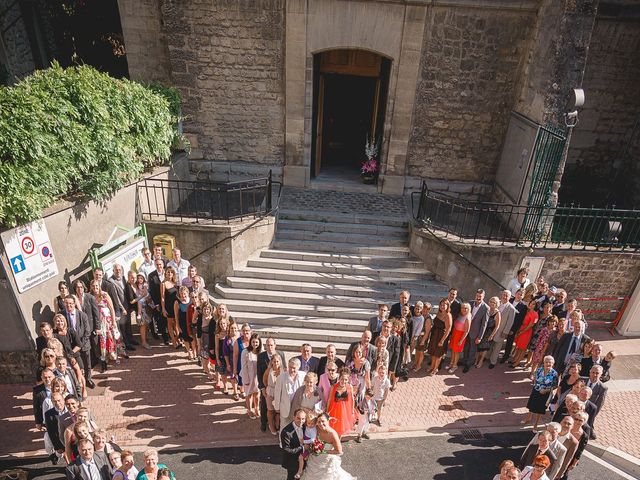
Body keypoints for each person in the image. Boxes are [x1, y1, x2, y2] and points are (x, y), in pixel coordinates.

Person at [301, 412, 357, 480]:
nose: (321, 424)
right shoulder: (316, 428)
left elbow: (339, 451)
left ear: (328, 421)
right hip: (314, 460)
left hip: (326, 461)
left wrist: (323, 451)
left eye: (323, 421)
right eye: (319, 422)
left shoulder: (332, 434)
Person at [62, 295, 94, 388]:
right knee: (73, 365)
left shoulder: (82, 315)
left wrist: (80, 344)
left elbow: (87, 332)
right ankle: (76, 381)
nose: (69, 306)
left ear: (74, 303)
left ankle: (88, 379)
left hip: (83, 344)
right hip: (70, 346)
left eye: (71, 303)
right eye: (66, 303)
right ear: (64, 304)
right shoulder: (61, 315)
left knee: (87, 363)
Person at [89, 280, 122, 372]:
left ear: (99, 286)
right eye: (93, 286)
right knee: (103, 340)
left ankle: (114, 354)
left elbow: (111, 308)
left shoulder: (104, 295)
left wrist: (114, 321)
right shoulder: (90, 296)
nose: (95, 288)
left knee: (111, 338)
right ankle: (106, 356)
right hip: (98, 322)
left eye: (97, 286)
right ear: (91, 287)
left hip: (107, 321)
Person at [523, 355, 558, 430]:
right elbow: (535, 379)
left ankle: (536, 424)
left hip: (545, 394)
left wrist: (546, 390)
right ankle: (528, 418)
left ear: (553, 363)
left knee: (540, 409)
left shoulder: (554, 374)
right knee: (531, 405)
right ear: (544, 362)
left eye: (550, 362)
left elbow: (555, 385)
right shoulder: (539, 370)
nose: (548, 363)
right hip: (536, 390)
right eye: (546, 362)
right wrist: (535, 385)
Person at [274, 358, 306, 430]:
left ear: (298, 367)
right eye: (290, 367)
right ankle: (282, 441)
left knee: (298, 428)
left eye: (294, 368)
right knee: (284, 427)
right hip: (285, 409)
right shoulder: (281, 377)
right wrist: (277, 407)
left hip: (298, 408)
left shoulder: (303, 376)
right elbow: (277, 394)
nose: (291, 370)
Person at [462, 289, 489, 373]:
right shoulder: (470, 303)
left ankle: (468, 364)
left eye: (480, 296)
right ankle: (464, 361)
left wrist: (480, 337)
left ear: (483, 297)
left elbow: (484, 324)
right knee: (465, 347)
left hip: (475, 333)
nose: (478, 298)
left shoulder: (486, 308)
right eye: (477, 296)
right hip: (466, 330)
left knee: (472, 349)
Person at [488, 290, 516, 369]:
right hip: (492, 328)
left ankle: (493, 362)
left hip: (501, 330)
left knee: (497, 347)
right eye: (503, 295)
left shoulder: (511, 308)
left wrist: (505, 332)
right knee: (490, 344)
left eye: (506, 296)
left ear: (509, 297)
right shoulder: (497, 302)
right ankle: (487, 357)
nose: (504, 297)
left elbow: (510, 322)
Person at [326, 367, 356, 439]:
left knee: (342, 427)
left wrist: (352, 411)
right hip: (335, 409)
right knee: (334, 426)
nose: (344, 381)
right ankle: (334, 439)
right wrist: (327, 411)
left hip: (345, 411)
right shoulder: (334, 387)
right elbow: (330, 399)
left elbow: (352, 399)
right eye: (342, 379)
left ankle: (338, 440)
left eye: (346, 379)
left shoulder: (350, 387)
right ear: (339, 378)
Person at [426, 298, 452, 375]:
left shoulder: (448, 315)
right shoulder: (439, 312)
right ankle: (432, 366)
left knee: (438, 354)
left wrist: (442, 340)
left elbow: (448, 330)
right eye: (441, 305)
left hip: (441, 336)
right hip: (435, 335)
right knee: (434, 352)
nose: (442, 306)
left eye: (444, 305)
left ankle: (435, 368)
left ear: (448, 306)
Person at [581, 364, 607, 439]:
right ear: (590, 372)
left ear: (601, 374)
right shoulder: (582, 380)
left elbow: (600, 403)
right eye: (593, 372)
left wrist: (593, 413)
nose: (594, 375)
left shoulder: (602, 387)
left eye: (597, 373)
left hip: (589, 409)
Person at [510, 300, 538, 368]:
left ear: (535, 306)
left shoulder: (535, 314)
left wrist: (521, 332)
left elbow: (530, 325)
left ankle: (517, 363)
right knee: (518, 347)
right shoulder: (527, 311)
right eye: (531, 303)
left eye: (533, 304)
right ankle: (515, 360)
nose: (531, 305)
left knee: (522, 348)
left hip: (526, 331)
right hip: (521, 329)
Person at [280, 408, 306, 480]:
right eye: (298, 418)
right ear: (293, 417)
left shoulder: (306, 426)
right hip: (293, 461)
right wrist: (303, 448)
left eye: (303, 419)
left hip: (306, 459)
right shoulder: (286, 432)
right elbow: (287, 449)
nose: (301, 421)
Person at [475, 296, 501, 369]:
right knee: (478, 346)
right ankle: (476, 359)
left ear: (497, 304)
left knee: (485, 348)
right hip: (482, 330)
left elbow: (497, 326)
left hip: (489, 332)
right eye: (491, 301)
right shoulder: (487, 309)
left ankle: (481, 361)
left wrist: (492, 335)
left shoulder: (497, 313)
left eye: (494, 302)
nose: (492, 303)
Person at [241, 333, 262, 418]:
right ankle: (249, 410)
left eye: (256, 342)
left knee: (257, 394)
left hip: (257, 377)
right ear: (250, 342)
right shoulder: (245, 352)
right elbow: (243, 367)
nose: (255, 344)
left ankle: (257, 408)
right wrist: (246, 380)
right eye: (253, 342)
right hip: (248, 377)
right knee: (248, 394)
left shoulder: (261, 352)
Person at [147, 259, 168, 344]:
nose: (159, 266)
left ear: (163, 264)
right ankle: (165, 338)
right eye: (157, 265)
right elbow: (152, 291)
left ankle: (171, 335)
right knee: (161, 320)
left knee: (170, 319)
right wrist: (156, 304)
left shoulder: (168, 272)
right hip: (158, 301)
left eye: (160, 264)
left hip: (169, 300)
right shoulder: (151, 275)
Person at [174, 286, 196, 359]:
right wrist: (177, 326)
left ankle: (194, 352)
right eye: (181, 294)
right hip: (183, 323)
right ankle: (189, 352)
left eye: (184, 293)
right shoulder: (177, 302)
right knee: (186, 338)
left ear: (187, 293)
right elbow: (176, 316)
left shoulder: (191, 300)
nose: (183, 295)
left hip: (190, 322)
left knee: (192, 338)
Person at [264, 353, 284, 435]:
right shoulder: (269, 370)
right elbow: (264, 380)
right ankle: (271, 426)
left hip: (280, 393)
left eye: (277, 361)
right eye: (274, 361)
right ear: (271, 362)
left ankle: (278, 425)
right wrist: (267, 388)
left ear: (280, 362)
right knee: (270, 410)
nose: (276, 363)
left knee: (279, 411)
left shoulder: (284, 370)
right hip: (271, 392)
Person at [160, 267, 179, 348]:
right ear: (165, 273)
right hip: (168, 306)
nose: (170, 274)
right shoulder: (163, 283)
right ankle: (174, 342)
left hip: (176, 306)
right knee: (170, 324)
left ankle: (177, 338)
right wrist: (163, 309)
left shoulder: (174, 282)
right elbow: (162, 297)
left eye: (171, 272)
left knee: (176, 323)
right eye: (168, 272)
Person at [233, 323, 252, 398]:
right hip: (241, 365)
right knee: (242, 380)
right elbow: (235, 356)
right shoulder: (238, 342)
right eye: (244, 330)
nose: (245, 332)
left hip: (252, 366)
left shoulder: (254, 340)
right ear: (241, 331)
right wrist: (234, 368)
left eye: (247, 330)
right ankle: (242, 390)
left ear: (251, 331)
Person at [222, 320, 240, 399]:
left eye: (235, 328)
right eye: (232, 328)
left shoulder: (241, 336)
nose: (234, 330)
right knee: (233, 376)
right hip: (232, 360)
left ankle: (241, 389)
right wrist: (228, 364)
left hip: (241, 359)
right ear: (229, 329)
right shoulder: (227, 338)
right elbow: (225, 352)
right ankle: (235, 392)